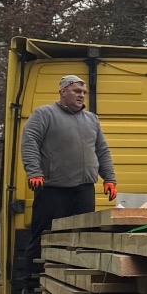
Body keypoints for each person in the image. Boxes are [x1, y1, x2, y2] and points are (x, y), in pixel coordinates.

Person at [21, 75, 117, 280]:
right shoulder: (44, 114)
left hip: (83, 189)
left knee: (82, 238)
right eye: (76, 91)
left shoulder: (91, 119)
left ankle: (74, 282)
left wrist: (109, 178)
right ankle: (31, 285)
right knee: (44, 236)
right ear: (63, 91)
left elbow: (102, 151)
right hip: (53, 188)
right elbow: (30, 143)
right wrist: (34, 172)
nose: (81, 95)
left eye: (83, 92)